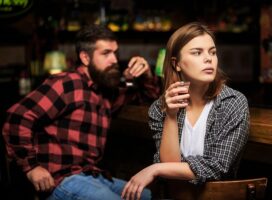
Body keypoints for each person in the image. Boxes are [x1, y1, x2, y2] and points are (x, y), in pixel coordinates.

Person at [2, 24, 158, 200]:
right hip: (62, 179)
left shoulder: (105, 91)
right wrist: (31, 168)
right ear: (85, 57)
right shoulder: (68, 83)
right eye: (106, 53)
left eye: (115, 52)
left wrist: (145, 74)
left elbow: (148, 99)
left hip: (92, 175)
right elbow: (17, 117)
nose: (114, 59)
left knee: (146, 195)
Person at [121, 21, 250, 200]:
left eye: (212, 52)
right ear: (177, 64)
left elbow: (216, 166)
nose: (208, 58)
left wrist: (155, 168)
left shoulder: (232, 103)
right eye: (197, 52)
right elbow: (170, 168)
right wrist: (171, 116)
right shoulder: (159, 109)